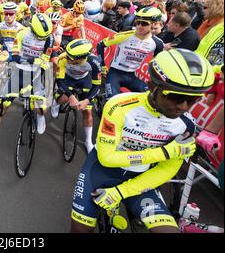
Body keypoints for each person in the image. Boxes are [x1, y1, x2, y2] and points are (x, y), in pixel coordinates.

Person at [71, 49, 215, 233]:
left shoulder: (185, 126)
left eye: (193, 100)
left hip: (139, 180)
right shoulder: (119, 105)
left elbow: (167, 169)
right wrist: (164, 152)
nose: (183, 106)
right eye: (174, 96)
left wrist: (120, 192)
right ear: (152, 86)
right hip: (99, 171)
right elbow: (107, 158)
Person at [0, 14, 55, 155]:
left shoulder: (49, 38)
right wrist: (31, 60)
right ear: (31, 28)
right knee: (3, 106)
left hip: (36, 75)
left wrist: (41, 63)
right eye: (39, 36)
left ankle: (40, 116)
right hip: (19, 72)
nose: (41, 39)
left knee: (42, 108)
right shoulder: (21, 34)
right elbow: (15, 56)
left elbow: (45, 59)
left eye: (43, 37)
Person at [97, 7, 164, 100]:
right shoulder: (126, 35)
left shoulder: (158, 43)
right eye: (137, 22)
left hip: (131, 76)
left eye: (144, 24)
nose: (139, 26)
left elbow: (157, 64)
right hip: (115, 74)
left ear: (154, 24)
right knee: (112, 101)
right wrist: (102, 65)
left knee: (152, 98)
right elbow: (100, 44)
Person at [51, 39, 102, 153]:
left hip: (85, 80)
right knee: (63, 98)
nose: (67, 58)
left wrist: (87, 100)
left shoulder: (95, 62)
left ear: (81, 58)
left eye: (71, 58)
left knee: (87, 111)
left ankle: (88, 141)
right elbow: (60, 81)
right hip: (68, 79)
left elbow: (97, 86)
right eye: (67, 55)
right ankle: (56, 103)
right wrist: (70, 96)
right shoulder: (63, 58)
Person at [196, 0, 224, 67]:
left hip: (211, 71)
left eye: (205, 7)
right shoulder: (207, 23)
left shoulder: (220, 27)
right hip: (198, 64)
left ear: (215, 8)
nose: (202, 10)